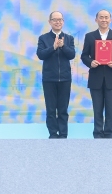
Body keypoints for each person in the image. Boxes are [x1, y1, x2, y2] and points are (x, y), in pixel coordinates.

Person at [81, 10, 112, 138]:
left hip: (111, 78)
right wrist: (90, 62)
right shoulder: (89, 36)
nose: (104, 20)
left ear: (110, 20)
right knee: (97, 109)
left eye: (106, 17)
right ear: (96, 20)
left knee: (110, 109)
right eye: (101, 17)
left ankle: (110, 133)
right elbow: (84, 56)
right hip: (95, 78)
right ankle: (97, 134)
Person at [36, 11, 76, 139]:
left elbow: (72, 55)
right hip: (49, 79)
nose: (58, 22)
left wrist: (63, 46)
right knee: (51, 109)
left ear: (63, 22)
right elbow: (40, 55)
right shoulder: (43, 38)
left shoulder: (69, 38)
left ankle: (63, 134)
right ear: (50, 22)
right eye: (55, 20)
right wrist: (53, 47)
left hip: (65, 79)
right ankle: (53, 134)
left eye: (60, 20)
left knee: (63, 109)